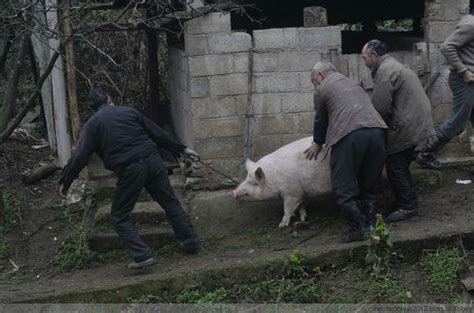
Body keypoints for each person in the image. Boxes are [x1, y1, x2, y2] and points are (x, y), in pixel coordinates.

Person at [58, 87, 201, 269]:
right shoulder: (129, 111)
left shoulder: (92, 124)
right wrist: (181, 149)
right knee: (170, 202)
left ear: (93, 107)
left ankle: (141, 255)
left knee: (119, 216)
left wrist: (66, 180)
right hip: (153, 160)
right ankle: (190, 243)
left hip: (130, 169)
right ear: (109, 99)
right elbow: (157, 133)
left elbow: (80, 155)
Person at [304, 61, 387, 243]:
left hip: (349, 135)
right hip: (377, 132)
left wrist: (317, 142)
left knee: (343, 188)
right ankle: (370, 226)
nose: (315, 85)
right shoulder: (352, 83)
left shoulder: (322, 88)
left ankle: (358, 230)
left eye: (314, 81)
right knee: (368, 187)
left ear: (320, 76)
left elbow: (321, 120)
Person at [361, 39, 435, 223]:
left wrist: (371, 129)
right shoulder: (390, 65)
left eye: (364, 57)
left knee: (396, 166)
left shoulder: (385, 72)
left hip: (408, 122)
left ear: (374, 55)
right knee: (400, 164)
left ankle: (408, 206)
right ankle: (405, 200)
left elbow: (381, 107)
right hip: (415, 119)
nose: (363, 60)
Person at [416, 10, 474, 168]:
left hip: (469, 80)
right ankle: (426, 153)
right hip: (465, 81)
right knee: (458, 122)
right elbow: (446, 47)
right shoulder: (470, 25)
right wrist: (464, 70)